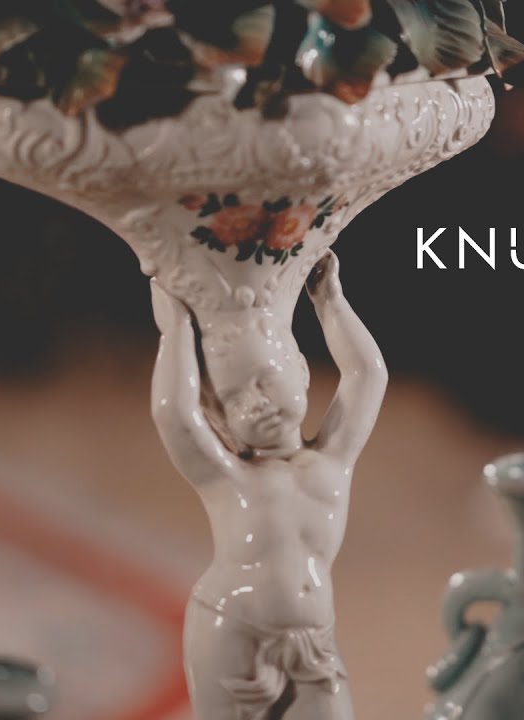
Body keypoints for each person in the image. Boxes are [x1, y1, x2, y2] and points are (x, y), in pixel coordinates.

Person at [150, 251, 386, 720]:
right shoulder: (228, 477)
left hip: (313, 639)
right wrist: (174, 330)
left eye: (265, 380)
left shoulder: (334, 459)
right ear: (220, 420)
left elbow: (367, 375)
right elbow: (175, 415)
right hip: (232, 627)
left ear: (301, 371)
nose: (256, 402)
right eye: (235, 399)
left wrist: (330, 301)